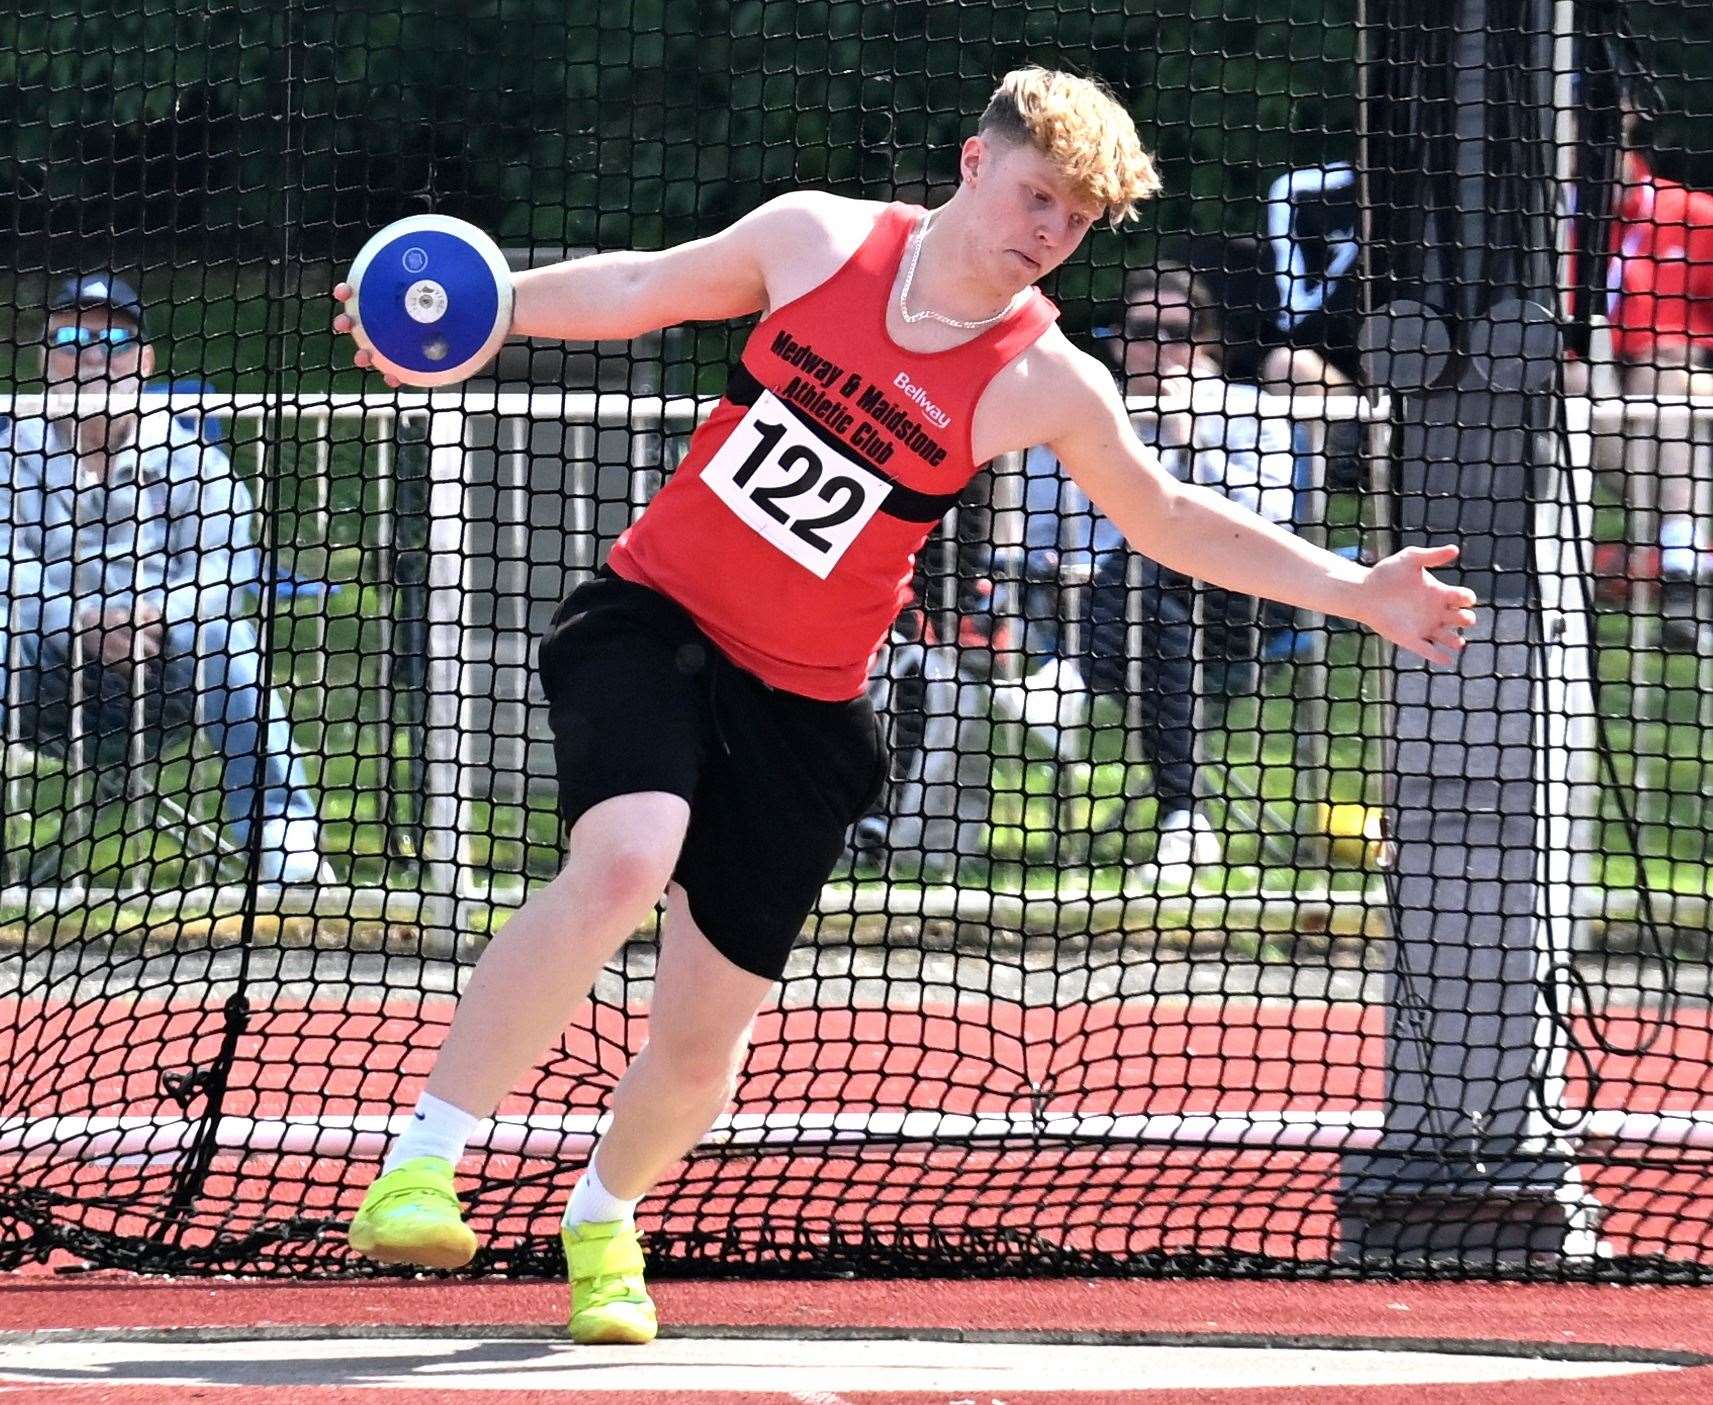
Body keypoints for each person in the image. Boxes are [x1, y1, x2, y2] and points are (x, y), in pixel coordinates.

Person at [334, 67, 1476, 1344]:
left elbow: (1163, 517)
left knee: (706, 1036)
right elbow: (644, 287)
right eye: (1039, 195)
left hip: (808, 703)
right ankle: (424, 1160)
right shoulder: (818, 239)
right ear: (974, 165)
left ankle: (603, 1216)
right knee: (622, 859)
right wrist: (472, 316)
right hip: (654, 618)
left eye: (1078, 221)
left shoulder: (1044, 380)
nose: (1050, 232)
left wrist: (1355, 588)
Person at [0, 274, 328, 883]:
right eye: (69, 339)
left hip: (168, 674)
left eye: (113, 342)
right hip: (37, 677)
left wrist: (157, 619)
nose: (91, 356)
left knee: (231, 648)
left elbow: (224, 566)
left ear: (144, 361)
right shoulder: (7, 456)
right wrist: (79, 623)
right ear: (44, 357)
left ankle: (285, 851)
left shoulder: (195, 460)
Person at [1000, 261, 1302, 879]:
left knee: (1165, 541)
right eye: (1143, 329)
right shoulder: (1080, 411)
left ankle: (1065, 687)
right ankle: (1182, 818)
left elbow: (1271, 523)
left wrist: (1196, 441)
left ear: (1207, 341)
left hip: (1236, 613)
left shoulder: (1249, 410)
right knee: (1154, 593)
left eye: (1178, 333)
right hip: (1099, 614)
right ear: (1117, 337)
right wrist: (1055, 566)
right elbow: (1036, 538)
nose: (1158, 347)